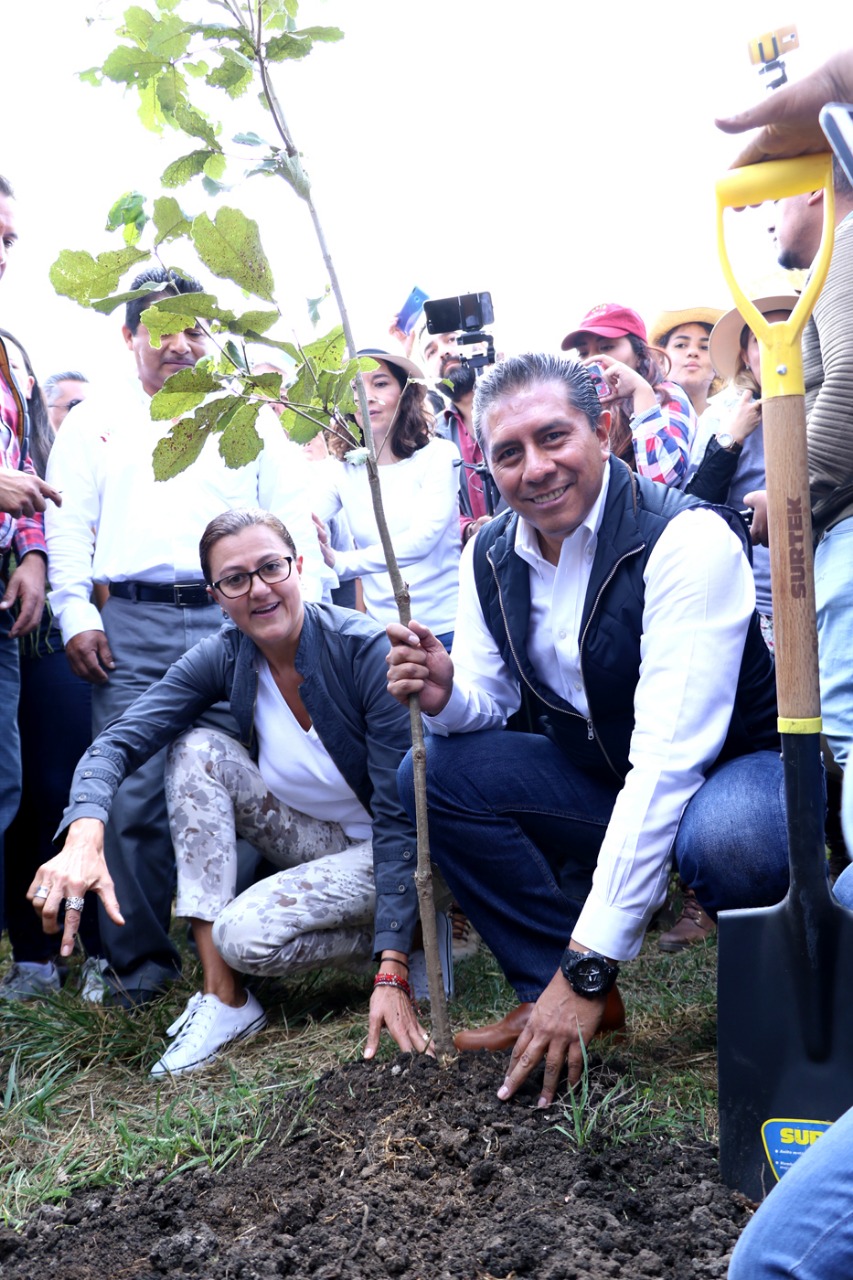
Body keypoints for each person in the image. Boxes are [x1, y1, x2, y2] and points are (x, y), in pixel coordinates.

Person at [387, 353, 788, 1107]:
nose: (535, 468)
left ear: (602, 430)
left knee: (732, 839)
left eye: (553, 437)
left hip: (731, 771)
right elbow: (489, 700)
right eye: (508, 452)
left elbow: (669, 762)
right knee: (436, 773)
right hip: (607, 774)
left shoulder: (687, 540)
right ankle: (560, 997)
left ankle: (775, 998)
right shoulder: (490, 554)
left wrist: (589, 962)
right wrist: (445, 694)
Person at [29, 509, 442, 1075]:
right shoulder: (226, 653)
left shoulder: (362, 649)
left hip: (409, 852)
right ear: (216, 597)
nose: (259, 589)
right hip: (324, 842)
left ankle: (416, 935)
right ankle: (224, 999)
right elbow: (120, 740)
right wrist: (83, 831)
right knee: (195, 750)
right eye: (235, 579)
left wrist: (391, 968)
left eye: (272, 567)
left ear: (299, 566)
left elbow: (404, 816)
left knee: (242, 936)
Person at [45, 267, 330, 1007]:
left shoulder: (246, 413)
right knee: (134, 793)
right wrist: (76, 614)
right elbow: (67, 525)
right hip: (131, 625)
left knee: (245, 779)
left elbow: (291, 513)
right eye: (162, 328)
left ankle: (238, 959)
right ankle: (138, 969)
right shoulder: (93, 420)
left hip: (235, 617)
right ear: (128, 334)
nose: (180, 344)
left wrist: (305, 612)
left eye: (196, 328)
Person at [743, 163, 853, 773]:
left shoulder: (845, 245)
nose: (767, 219)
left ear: (815, 186)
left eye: (775, 197)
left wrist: (787, 493)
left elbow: (850, 387)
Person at [0, 332, 100, 1000]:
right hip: (26, 639)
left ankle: (78, 947)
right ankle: (32, 953)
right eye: (71, 405)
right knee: (21, 791)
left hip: (45, 635)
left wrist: (35, 556)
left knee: (44, 788)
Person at [0, 175, 62, 942]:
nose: (2, 254)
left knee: (4, 785)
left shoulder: (10, 356)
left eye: (9, 239)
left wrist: (34, 555)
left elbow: (27, 465)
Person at [312, 349, 461, 645]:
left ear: (406, 393)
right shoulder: (341, 469)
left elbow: (423, 539)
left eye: (380, 384)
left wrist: (341, 562)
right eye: (355, 388)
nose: (367, 397)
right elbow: (302, 518)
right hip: (383, 635)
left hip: (447, 629)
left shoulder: (439, 455)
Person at [561, 303, 697, 487]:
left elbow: (661, 480)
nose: (592, 360)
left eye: (606, 347)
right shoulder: (584, 408)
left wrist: (640, 392)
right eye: (583, 353)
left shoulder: (666, 395)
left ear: (639, 353)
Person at [648, 308, 724, 419]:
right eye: (680, 345)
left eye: (704, 347)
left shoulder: (731, 416)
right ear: (660, 359)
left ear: (718, 363)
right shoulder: (642, 417)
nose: (693, 352)